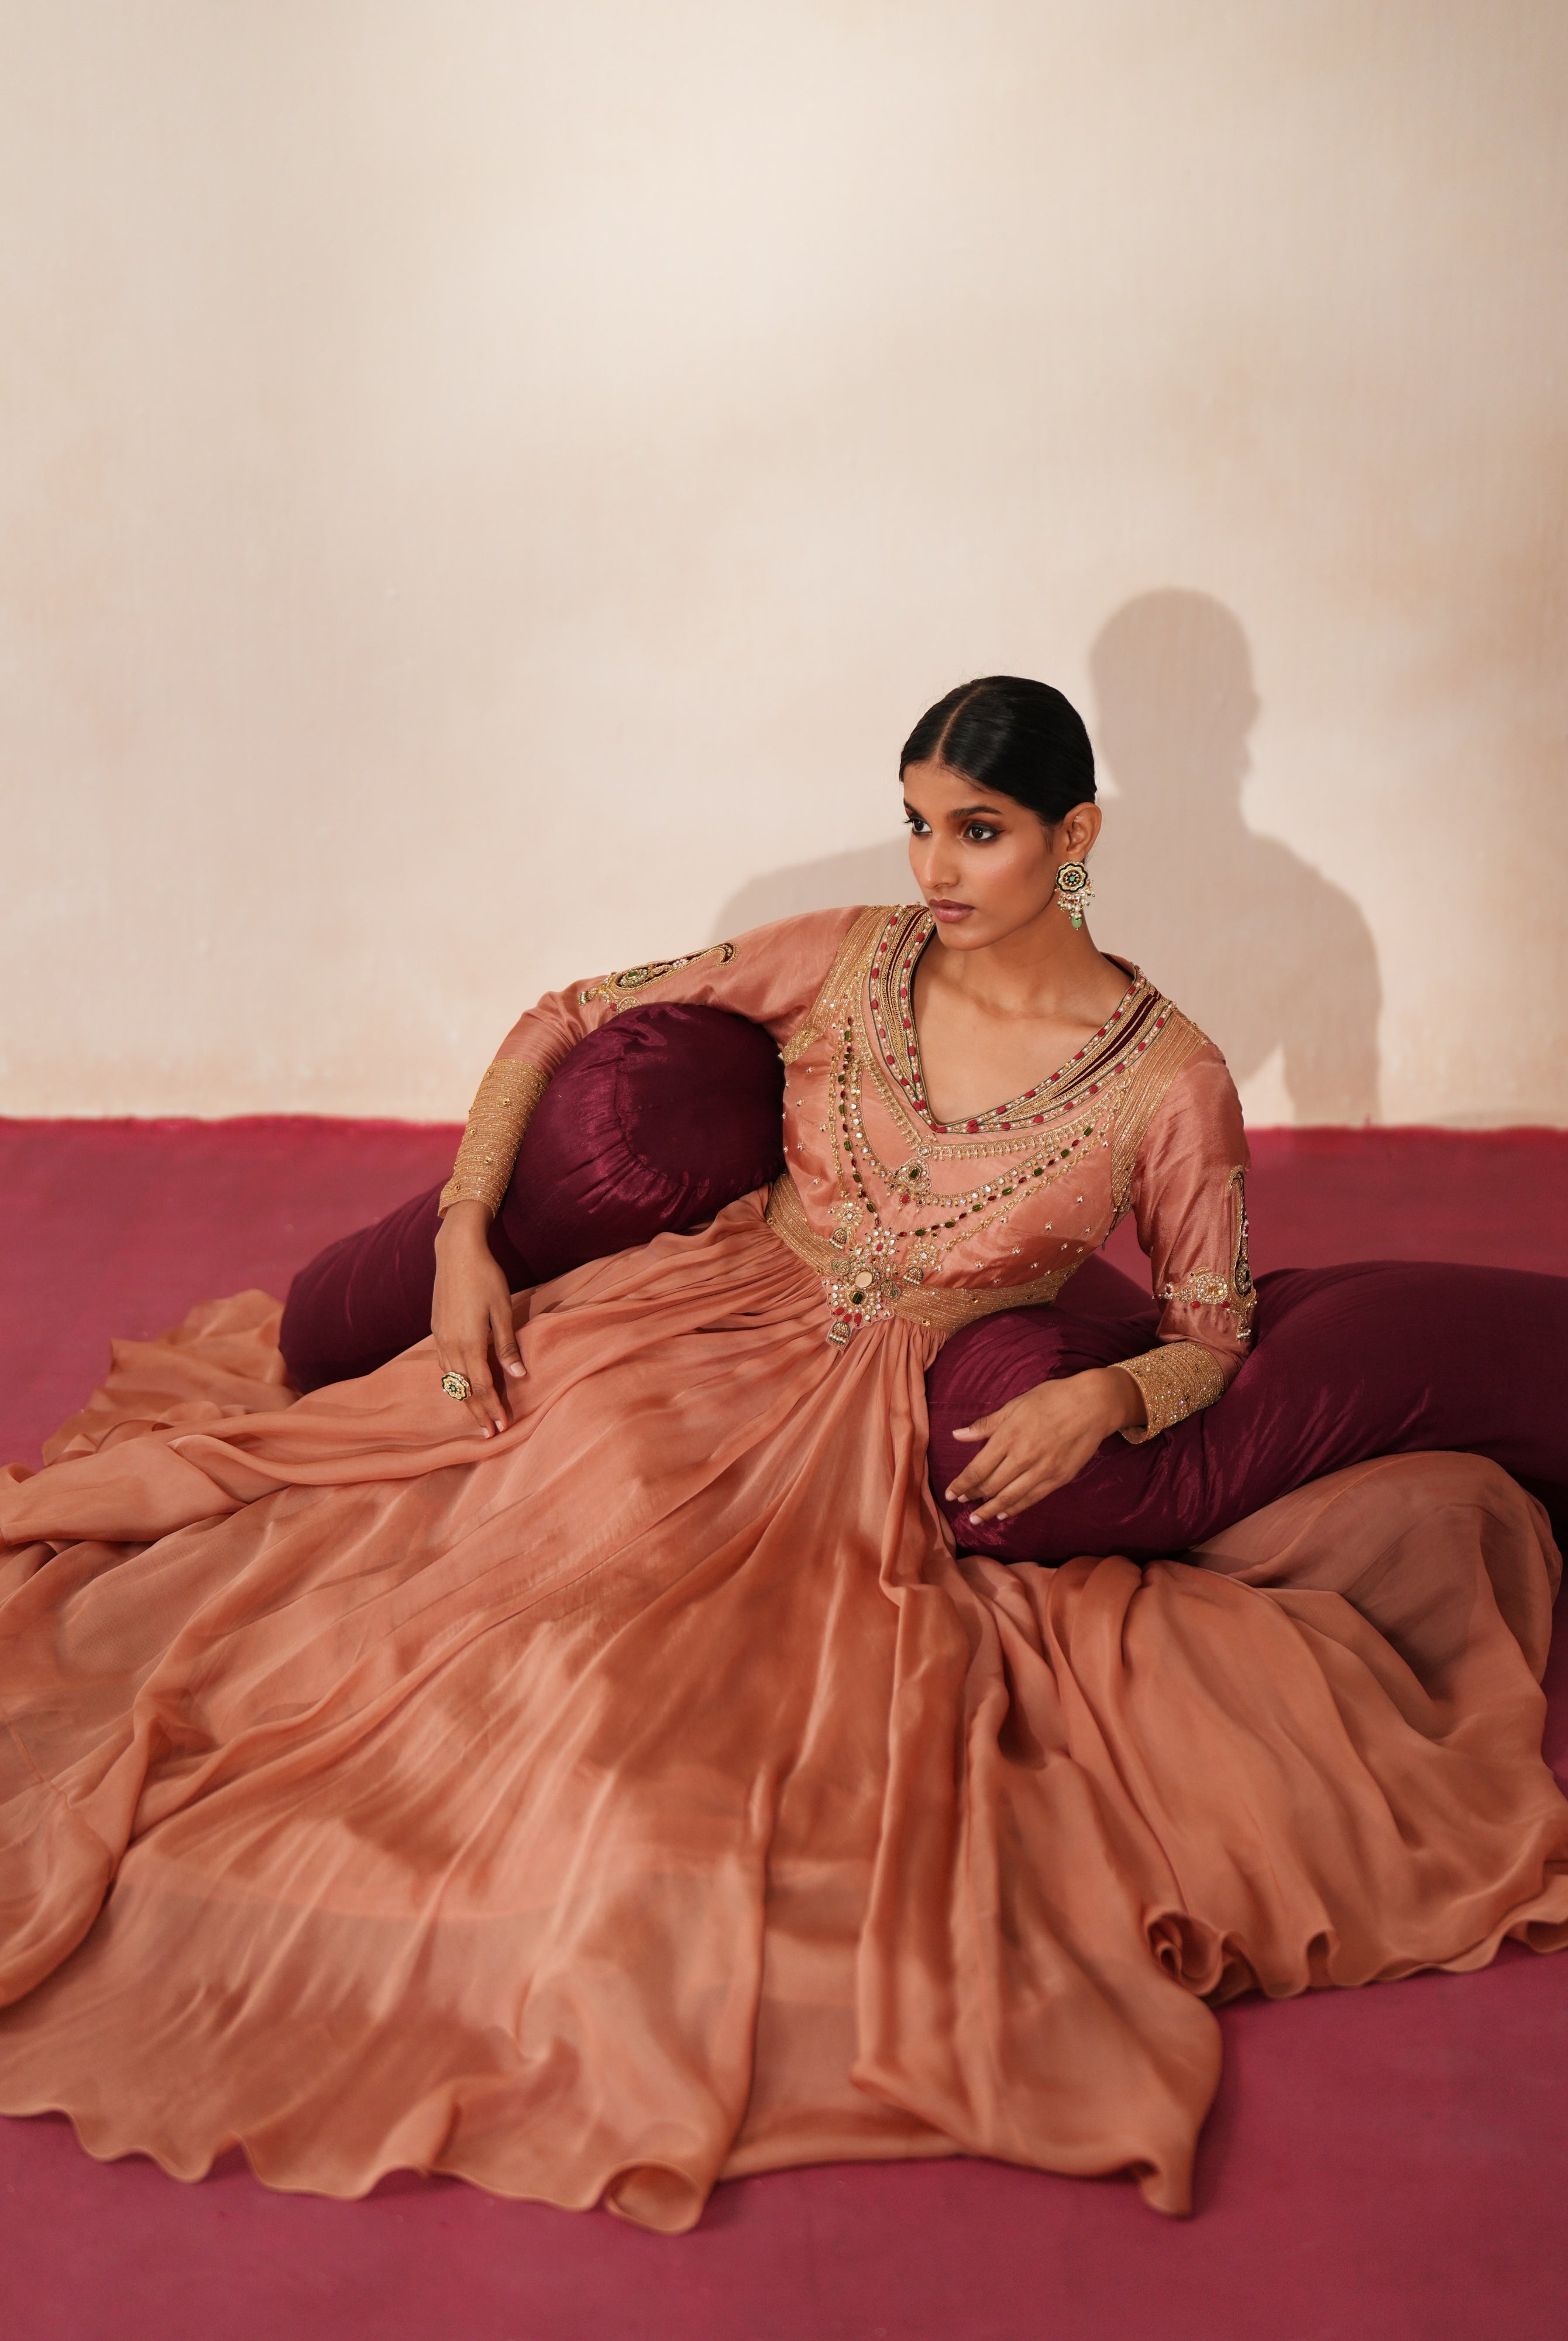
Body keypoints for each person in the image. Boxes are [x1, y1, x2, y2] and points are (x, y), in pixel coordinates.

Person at [1, 678, 1564, 2233]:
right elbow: (565, 1016)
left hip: (890, 1420)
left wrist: (1104, 1402)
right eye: (917, 825)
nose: (935, 868)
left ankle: (595, 1895)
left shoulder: (1172, 1080)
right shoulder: (855, 954)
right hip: (699, 1321)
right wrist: (468, 1232)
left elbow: (1212, 1335)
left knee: (697, 1704)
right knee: (515, 1528)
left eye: (982, 831)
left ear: (1077, 834)